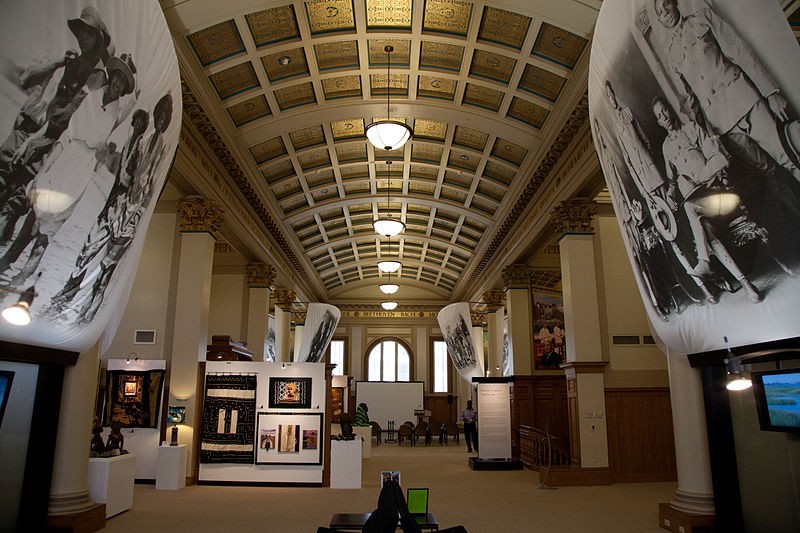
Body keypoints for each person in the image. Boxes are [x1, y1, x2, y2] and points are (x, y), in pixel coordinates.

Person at [653, 0, 800, 183]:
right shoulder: (671, 56)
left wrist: (771, 92)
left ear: (675, 3)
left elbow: (739, 51)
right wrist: (711, 138)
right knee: (769, 173)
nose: (665, 11)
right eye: (659, 11)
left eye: (666, 3)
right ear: (659, 20)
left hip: (745, 100)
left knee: (786, 156)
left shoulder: (703, 18)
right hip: (723, 123)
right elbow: (691, 98)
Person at [652, 95, 763, 303]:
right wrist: (669, 195)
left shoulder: (693, 128)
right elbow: (671, 181)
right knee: (707, 228)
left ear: (670, 109)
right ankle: (748, 286)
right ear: (658, 122)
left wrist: (701, 177)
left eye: (664, 110)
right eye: (659, 115)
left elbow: (719, 158)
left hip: (720, 195)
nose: (664, 116)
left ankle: (705, 262)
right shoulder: (666, 148)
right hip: (701, 206)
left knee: (691, 210)